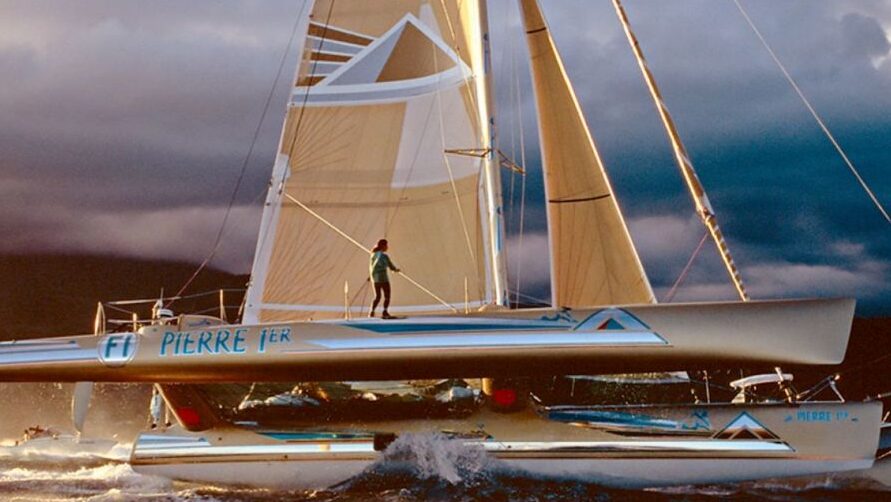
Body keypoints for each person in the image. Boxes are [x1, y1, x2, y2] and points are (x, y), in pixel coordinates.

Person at [369, 238, 399, 319]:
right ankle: (385, 311)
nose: (387, 247)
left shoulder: (372, 254)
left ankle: (372, 311)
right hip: (383, 278)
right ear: (383, 246)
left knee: (377, 296)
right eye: (386, 245)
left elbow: (373, 267)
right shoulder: (383, 256)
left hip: (375, 279)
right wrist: (395, 269)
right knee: (387, 296)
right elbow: (389, 265)